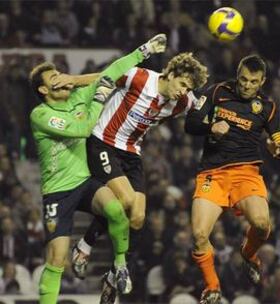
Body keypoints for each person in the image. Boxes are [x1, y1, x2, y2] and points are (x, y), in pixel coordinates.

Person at [30, 33, 167, 304]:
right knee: (57, 259)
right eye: (53, 79)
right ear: (44, 90)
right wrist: (98, 100)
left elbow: (112, 71)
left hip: (84, 183)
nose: (61, 79)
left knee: (117, 210)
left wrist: (145, 50)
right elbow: (81, 130)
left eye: (60, 73)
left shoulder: (79, 95)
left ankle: (119, 267)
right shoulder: (41, 115)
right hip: (57, 193)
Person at [70, 52, 209, 303]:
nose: (183, 91)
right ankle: (85, 246)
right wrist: (69, 80)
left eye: (188, 88)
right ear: (171, 74)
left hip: (132, 153)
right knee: (124, 201)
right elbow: (103, 77)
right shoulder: (140, 77)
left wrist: (220, 124)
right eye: (182, 84)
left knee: (138, 217)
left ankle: (113, 275)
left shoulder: (184, 100)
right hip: (103, 143)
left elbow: (204, 108)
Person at [184, 54, 280, 304]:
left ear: (262, 81)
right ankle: (212, 288)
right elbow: (191, 123)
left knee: (262, 225)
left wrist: (278, 150)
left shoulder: (268, 107)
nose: (246, 85)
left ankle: (248, 253)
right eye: (243, 79)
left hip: (246, 173)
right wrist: (211, 127)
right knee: (199, 235)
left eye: (253, 81)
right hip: (213, 172)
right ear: (237, 74)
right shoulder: (217, 91)